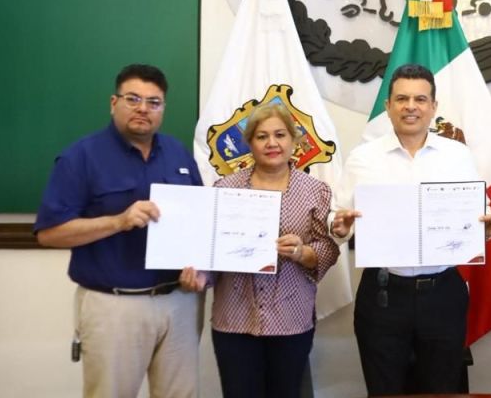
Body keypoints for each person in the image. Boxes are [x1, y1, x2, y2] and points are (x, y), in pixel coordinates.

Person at [331, 63, 491, 396]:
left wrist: (486, 225)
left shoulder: (457, 155)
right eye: (402, 99)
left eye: (420, 99)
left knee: (442, 388)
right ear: (388, 106)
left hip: (442, 293)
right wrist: (339, 227)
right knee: (384, 389)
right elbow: (336, 217)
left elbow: (479, 210)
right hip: (383, 295)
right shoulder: (362, 158)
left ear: (433, 106)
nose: (411, 106)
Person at [34, 64, 203, 398]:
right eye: (133, 99)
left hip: (179, 302)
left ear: (163, 108)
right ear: (114, 103)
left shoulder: (178, 153)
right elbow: (49, 233)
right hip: (114, 306)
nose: (143, 109)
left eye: (154, 102)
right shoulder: (80, 157)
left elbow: (199, 222)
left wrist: (202, 271)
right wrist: (118, 221)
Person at [179, 103, 340, 398]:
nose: (271, 143)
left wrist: (302, 252)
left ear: (293, 140)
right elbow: (210, 247)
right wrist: (201, 275)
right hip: (234, 319)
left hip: (291, 318)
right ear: (250, 142)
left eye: (280, 135)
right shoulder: (224, 189)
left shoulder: (316, 191)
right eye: (262, 136)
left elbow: (328, 249)